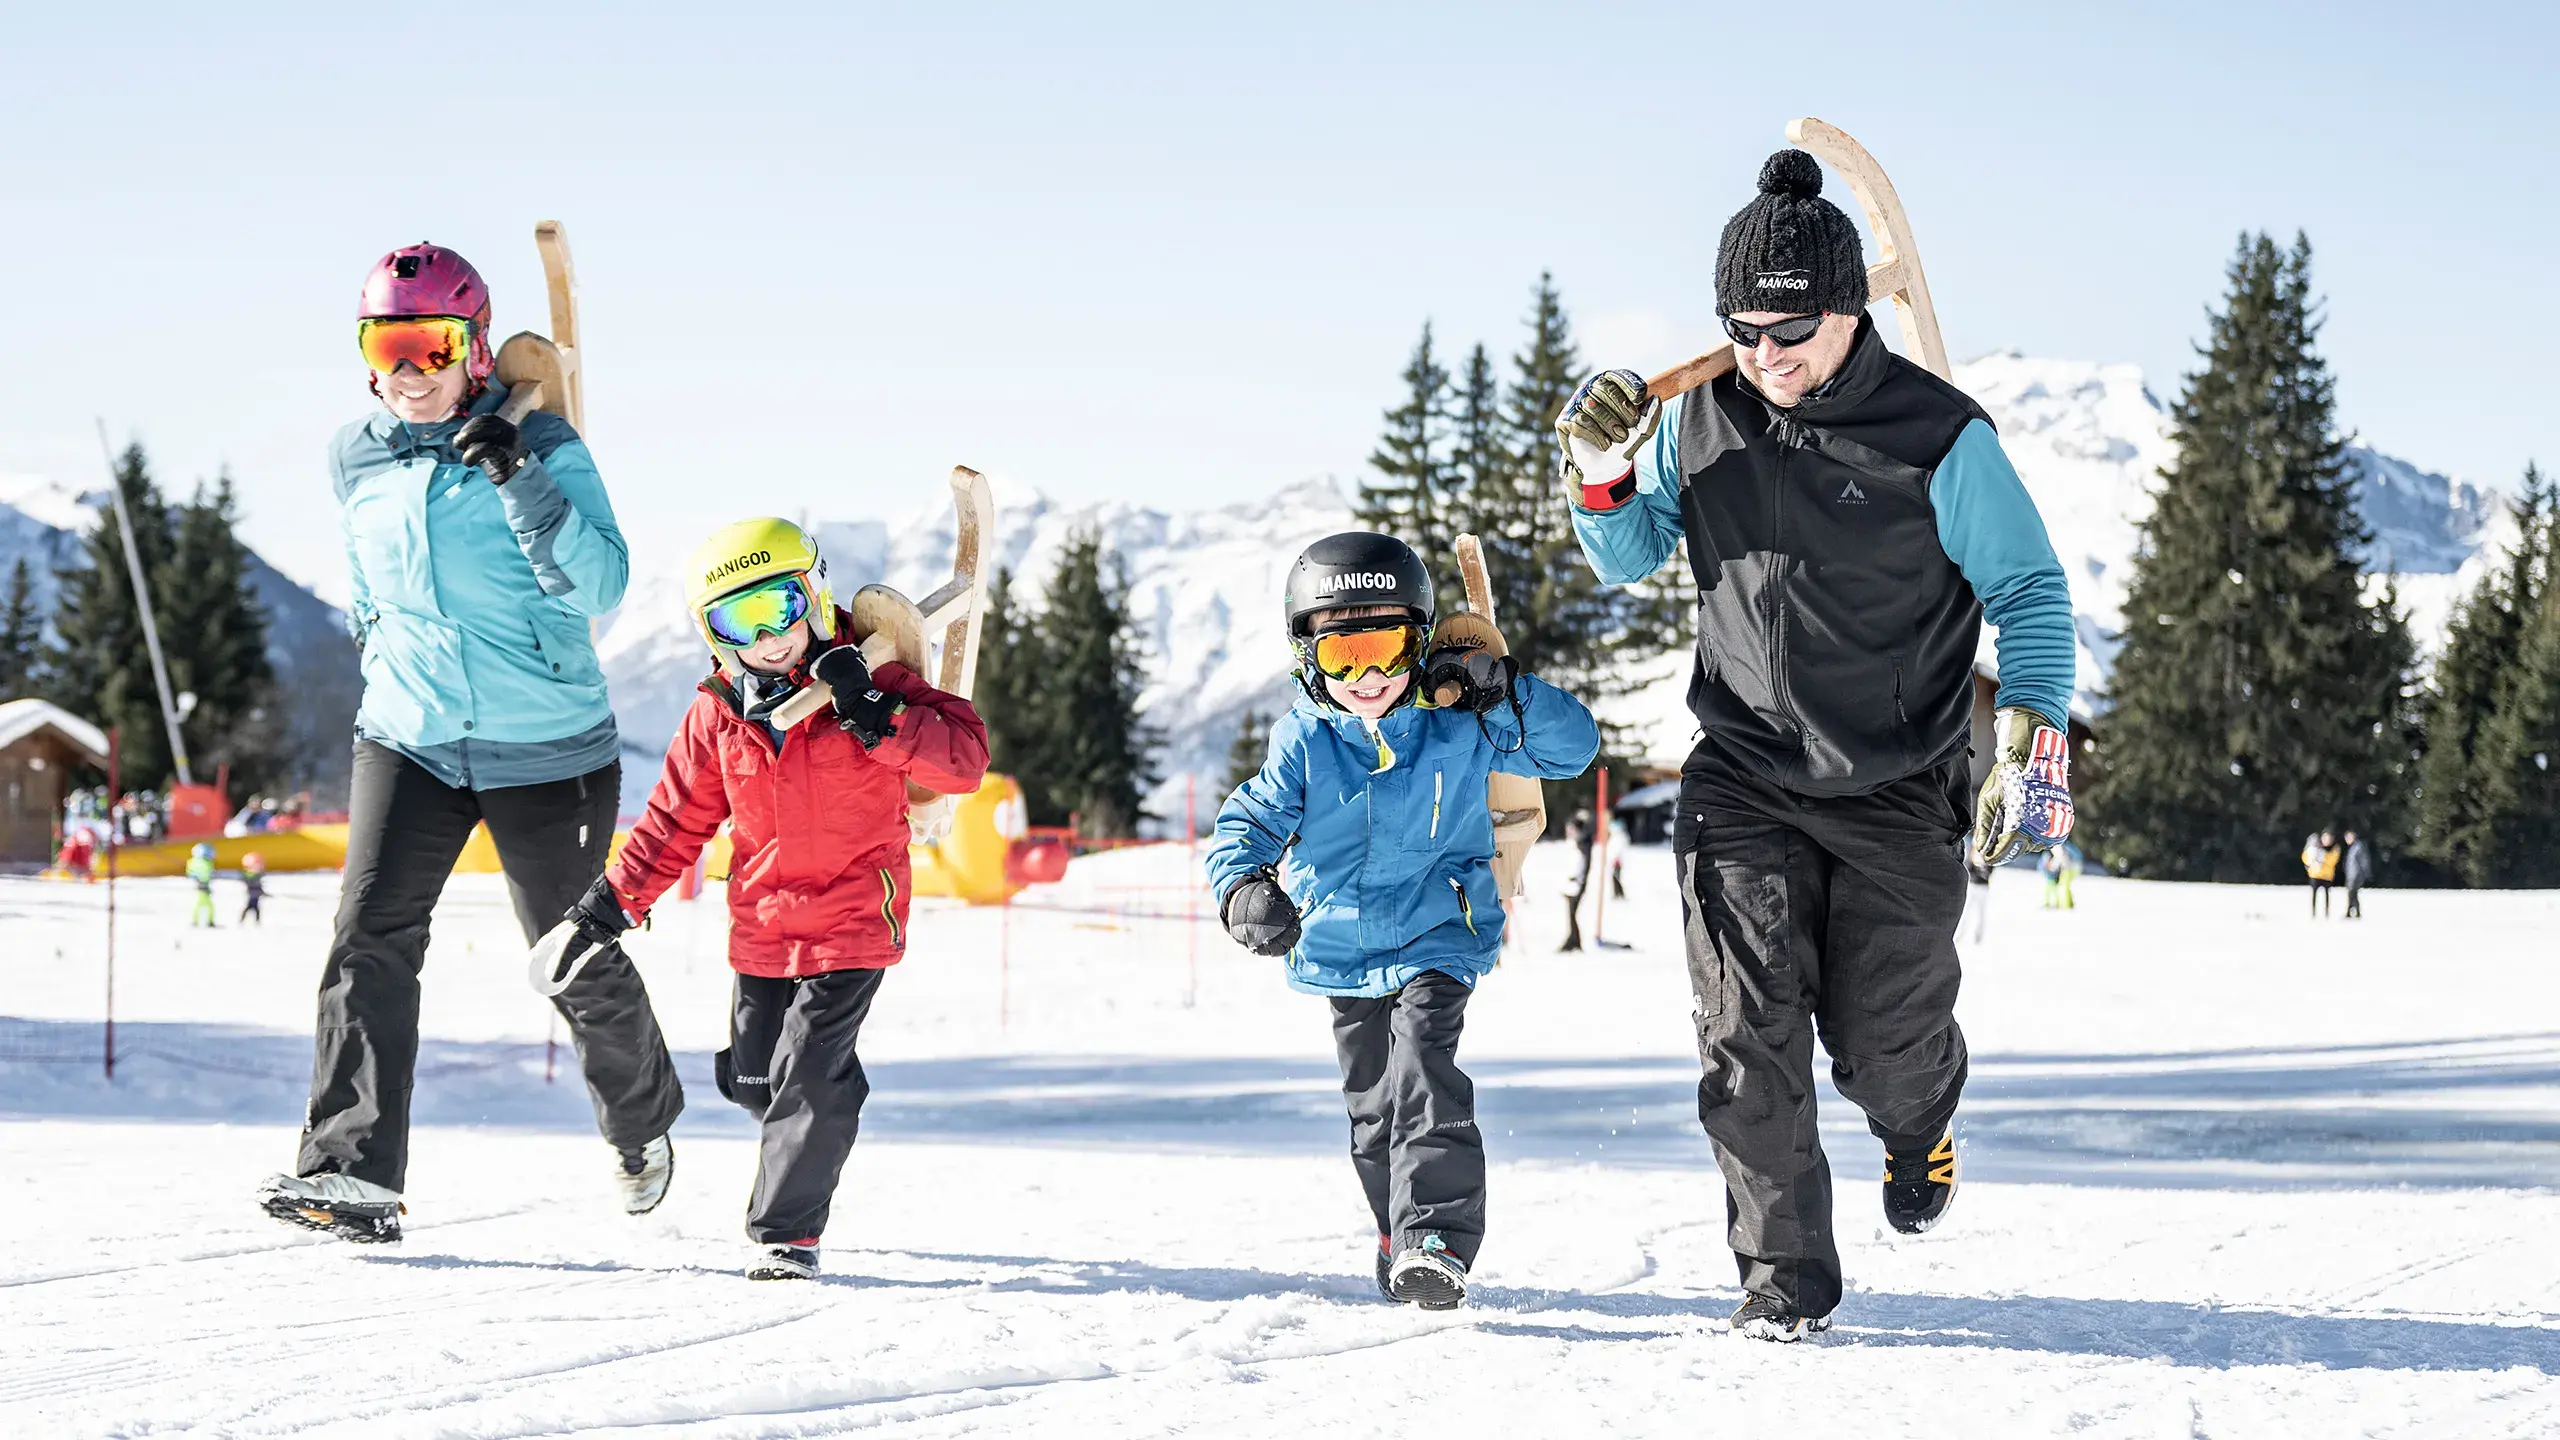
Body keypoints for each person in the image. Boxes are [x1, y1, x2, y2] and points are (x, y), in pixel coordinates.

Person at [1555, 149, 2077, 1341]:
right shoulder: (1702, 417)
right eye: (1739, 330)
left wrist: (2029, 735)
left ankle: (1917, 1123)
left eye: (1789, 329)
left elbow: (2030, 593)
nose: (1764, 354)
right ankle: (1782, 1281)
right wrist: (1598, 475)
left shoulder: (1939, 438)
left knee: (1883, 1049)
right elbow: (1630, 555)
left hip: (1898, 785)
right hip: (1742, 775)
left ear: (1849, 308)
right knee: (1746, 1037)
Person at [259, 242, 684, 1245]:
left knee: (567, 953)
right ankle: (352, 1173)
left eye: (433, 346)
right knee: (369, 939)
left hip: (545, 746)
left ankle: (640, 1119)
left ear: (475, 347)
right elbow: (366, 581)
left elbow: (601, 588)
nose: (410, 371)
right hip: (409, 736)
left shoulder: (546, 444)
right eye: (387, 347)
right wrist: (381, 656)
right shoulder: (354, 454)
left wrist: (518, 476)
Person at [564, 519, 988, 1280]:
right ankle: (818, 1095)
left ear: (813, 595)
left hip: (856, 916)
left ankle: (785, 1234)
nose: (768, 638)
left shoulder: (879, 678)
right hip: (763, 924)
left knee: (810, 1074)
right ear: (713, 634)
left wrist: (877, 716)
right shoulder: (719, 712)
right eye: (739, 621)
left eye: (779, 607)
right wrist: (610, 904)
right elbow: (675, 822)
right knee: (755, 1080)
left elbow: (963, 762)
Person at [1206, 532, 1600, 1312]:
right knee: (1372, 1114)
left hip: (1438, 930)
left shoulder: (1461, 723)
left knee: (1424, 1068)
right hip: (1340, 944)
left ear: (1418, 644)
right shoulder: (1304, 742)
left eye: (1384, 649)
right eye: (1343, 654)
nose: (1368, 677)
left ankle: (1437, 1238)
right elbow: (1246, 823)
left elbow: (1572, 751)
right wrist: (1242, 888)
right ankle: (1398, 1231)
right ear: (1308, 657)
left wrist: (1505, 692)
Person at [1559, 808, 1595, 952]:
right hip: (1574, 883)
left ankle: (1574, 940)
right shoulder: (1578, 843)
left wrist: (1576, 882)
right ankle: (1573, 939)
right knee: (1571, 913)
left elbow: (1579, 866)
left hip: (1577, 883)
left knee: (1573, 913)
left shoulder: (1583, 845)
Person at [2301, 830, 2339, 917]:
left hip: (2327, 876)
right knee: (2314, 895)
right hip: (2315, 875)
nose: (2327, 840)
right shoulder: (2315, 848)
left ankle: (2326, 913)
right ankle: (2314, 913)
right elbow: (2306, 859)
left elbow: (2332, 861)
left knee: (2327, 895)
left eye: (2328, 838)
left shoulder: (2334, 849)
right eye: (2325, 838)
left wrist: (2322, 857)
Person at [186, 842, 218, 928]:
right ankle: (208, 921)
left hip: (199, 886)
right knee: (206, 904)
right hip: (203, 886)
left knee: (199, 903)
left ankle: (196, 920)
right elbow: (206, 875)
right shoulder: (205, 863)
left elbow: (190, 873)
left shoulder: (192, 861)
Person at [2039, 841, 2080, 909]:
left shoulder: (2057, 847)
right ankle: (2069, 904)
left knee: (2064, 887)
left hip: (2067, 868)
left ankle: (2065, 905)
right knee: (2065, 886)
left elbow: (2059, 858)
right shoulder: (2066, 846)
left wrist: (2052, 868)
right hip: (2073, 867)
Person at [2341, 829, 2370, 918]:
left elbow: (2363, 861)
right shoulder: (2352, 848)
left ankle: (2350, 912)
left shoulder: (2358, 847)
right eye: (2346, 838)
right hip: (2351, 875)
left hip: (2356, 875)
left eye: (2350, 837)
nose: (2348, 839)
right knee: (2353, 894)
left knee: (2351, 893)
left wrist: (2365, 873)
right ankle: (2355, 912)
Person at [239, 852, 267, 926]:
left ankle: (254, 921)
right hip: (253, 895)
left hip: (255, 895)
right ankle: (246, 921)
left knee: (254, 909)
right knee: (252, 908)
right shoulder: (252, 877)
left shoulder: (254, 877)